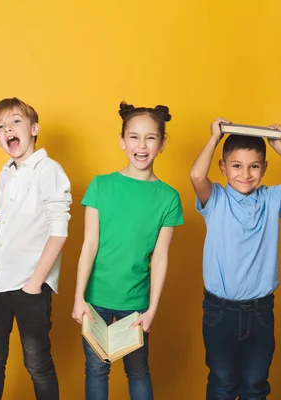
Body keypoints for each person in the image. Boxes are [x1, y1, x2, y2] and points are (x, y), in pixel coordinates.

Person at [71, 101, 183, 400]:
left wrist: (152, 309)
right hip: (95, 301)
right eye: (134, 136)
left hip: (136, 304)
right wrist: (79, 297)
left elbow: (160, 257)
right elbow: (89, 244)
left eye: (150, 137)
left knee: (137, 372)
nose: (141, 145)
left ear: (162, 143)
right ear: (122, 141)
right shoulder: (100, 186)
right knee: (96, 370)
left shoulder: (169, 197)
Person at [189, 118, 281, 399]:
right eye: (237, 166)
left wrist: (279, 145)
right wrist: (214, 138)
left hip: (260, 312)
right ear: (223, 168)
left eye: (254, 166)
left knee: (255, 384)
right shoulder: (215, 198)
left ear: (264, 168)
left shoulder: (272, 198)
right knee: (222, 383)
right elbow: (195, 176)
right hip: (220, 311)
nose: (246, 174)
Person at [0, 97, 72, 400]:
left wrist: (35, 283)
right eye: (0, 126)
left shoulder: (48, 170)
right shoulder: (5, 174)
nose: (7, 129)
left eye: (15, 122)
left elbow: (59, 230)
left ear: (34, 128)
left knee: (37, 363)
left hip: (30, 285)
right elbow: (5, 221)